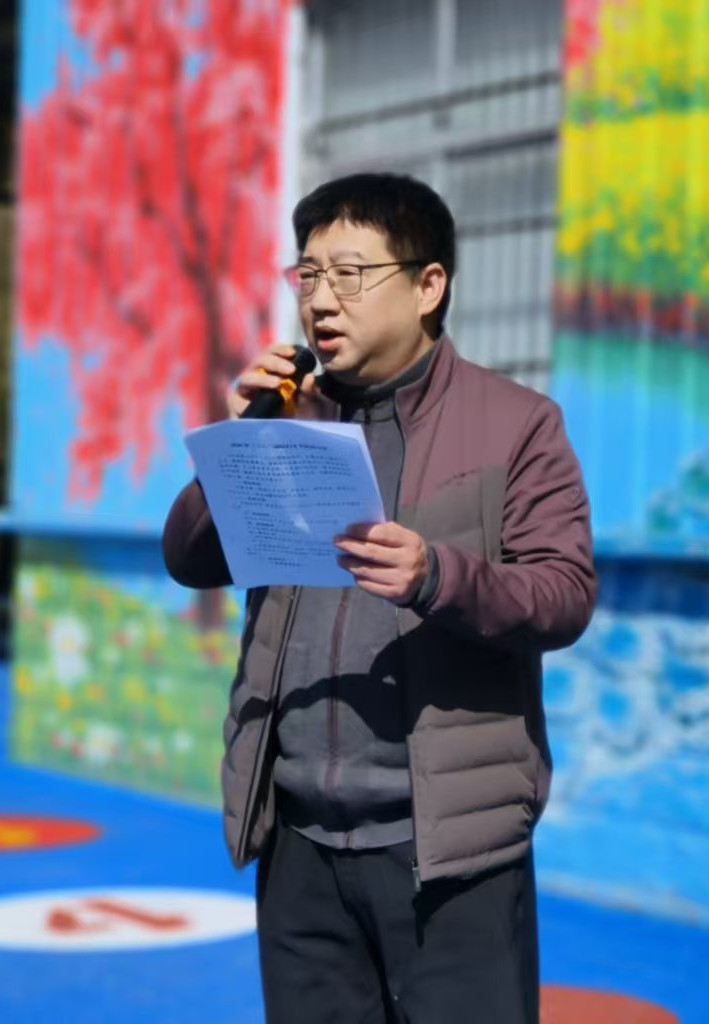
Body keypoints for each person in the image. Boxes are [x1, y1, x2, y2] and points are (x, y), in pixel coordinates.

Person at [163, 172, 596, 1024]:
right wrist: (241, 441)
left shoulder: (517, 424)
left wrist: (438, 576)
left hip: (448, 852)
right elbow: (190, 559)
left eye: (350, 275)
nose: (321, 300)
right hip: (299, 843)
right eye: (308, 275)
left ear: (429, 286)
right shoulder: (291, 417)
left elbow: (564, 593)